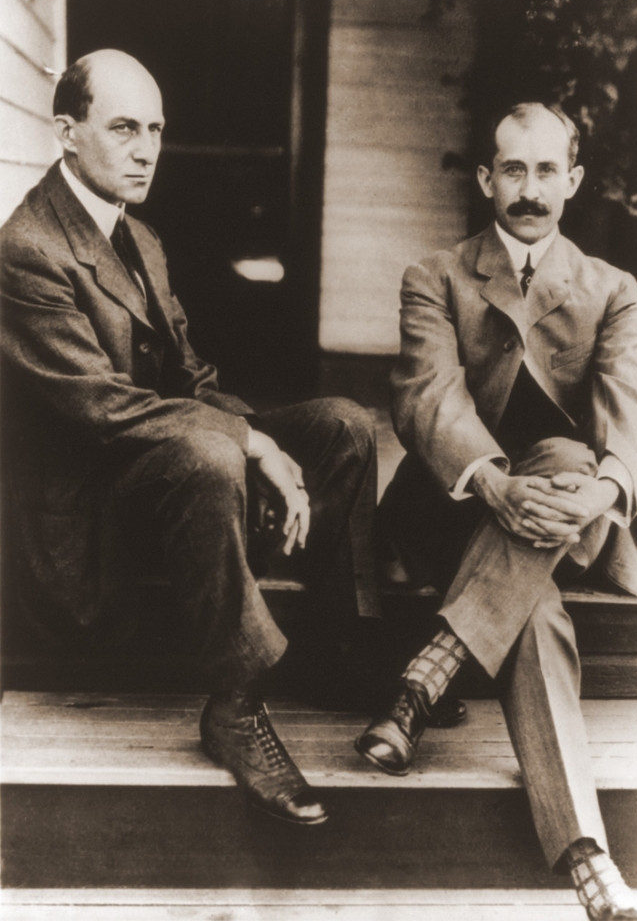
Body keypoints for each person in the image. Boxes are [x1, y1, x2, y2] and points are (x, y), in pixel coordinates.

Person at [0, 48, 390, 827]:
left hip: (159, 473)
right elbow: (102, 410)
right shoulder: (27, 250)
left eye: (155, 129)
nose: (146, 149)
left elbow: (192, 380)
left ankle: (328, 650)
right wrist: (247, 444)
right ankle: (235, 708)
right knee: (212, 450)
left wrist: (261, 433)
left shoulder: (139, 237)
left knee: (342, 425)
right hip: (88, 521)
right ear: (65, 133)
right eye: (122, 128)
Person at [355, 102, 637, 920]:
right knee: (537, 596)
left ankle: (428, 677)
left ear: (573, 180)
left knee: (565, 468)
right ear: (486, 179)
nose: (528, 189)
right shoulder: (436, 275)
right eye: (512, 170)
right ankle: (588, 857)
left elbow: (625, 406)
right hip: (449, 506)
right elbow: (425, 400)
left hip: (556, 512)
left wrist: (602, 491)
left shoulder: (612, 289)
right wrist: (491, 483)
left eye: (545, 170)